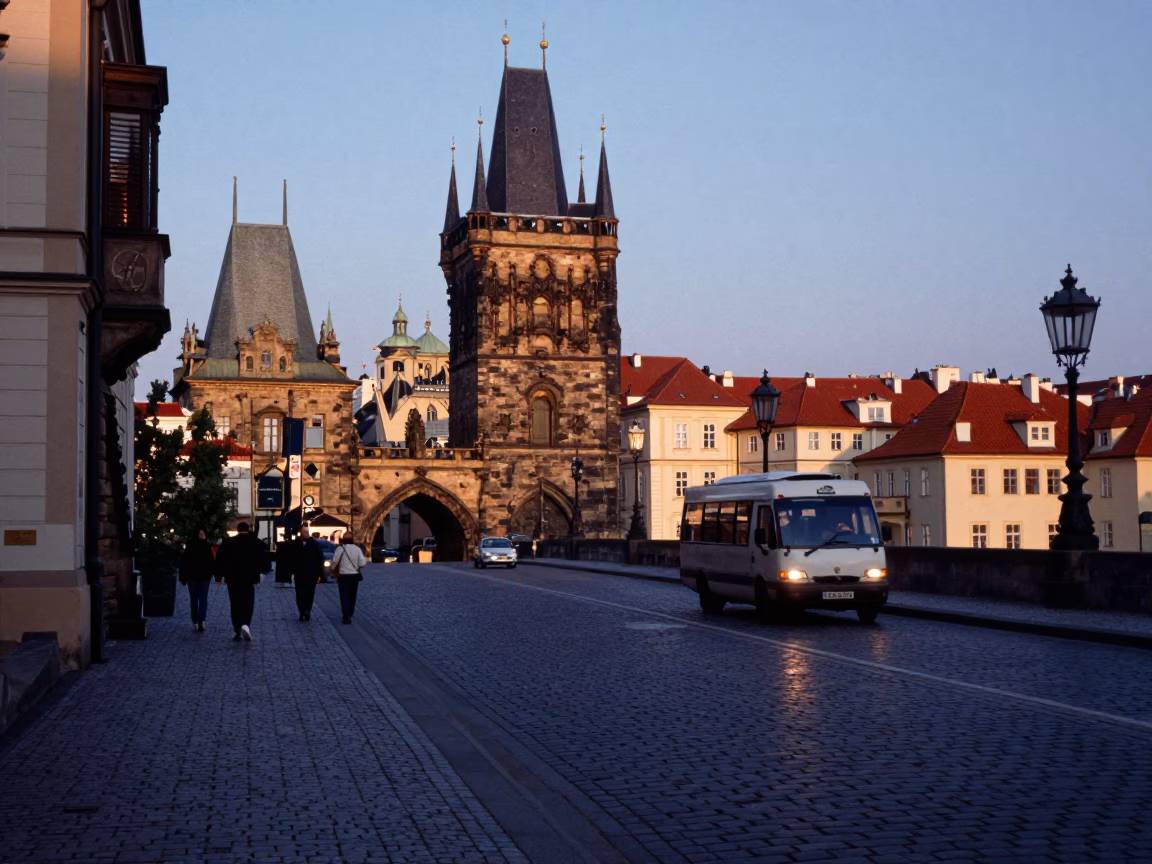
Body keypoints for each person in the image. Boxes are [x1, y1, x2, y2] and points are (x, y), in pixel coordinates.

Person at [214, 521, 269, 642]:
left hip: (233, 578)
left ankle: (237, 629)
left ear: (238, 530)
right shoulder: (256, 543)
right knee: (248, 602)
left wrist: (218, 577)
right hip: (249, 577)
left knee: (235, 603)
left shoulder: (228, 543)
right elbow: (265, 558)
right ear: (248, 529)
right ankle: (245, 623)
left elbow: (220, 560)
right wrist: (262, 572)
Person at [178, 528, 215, 632]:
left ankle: (195, 620)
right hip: (204, 576)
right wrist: (213, 574)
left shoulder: (190, 546)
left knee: (194, 599)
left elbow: (184, 562)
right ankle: (201, 619)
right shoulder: (207, 546)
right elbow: (211, 562)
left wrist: (183, 577)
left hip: (192, 577)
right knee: (203, 598)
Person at [331, 534, 367, 624]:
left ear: (343, 539)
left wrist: (333, 568)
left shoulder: (340, 549)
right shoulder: (357, 549)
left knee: (344, 596)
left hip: (343, 575)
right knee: (352, 595)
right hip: (354, 575)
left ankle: (346, 616)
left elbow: (335, 561)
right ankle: (350, 613)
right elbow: (363, 563)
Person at [295, 532, 324, 621]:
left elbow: (320, 559)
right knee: (307, 593)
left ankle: (304, 610)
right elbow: (320, 559)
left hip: (303, 573)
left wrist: (319, 574)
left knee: (302, 593)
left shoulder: (299, 545)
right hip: (309, 573)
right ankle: (305, 610)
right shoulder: (314, 545)